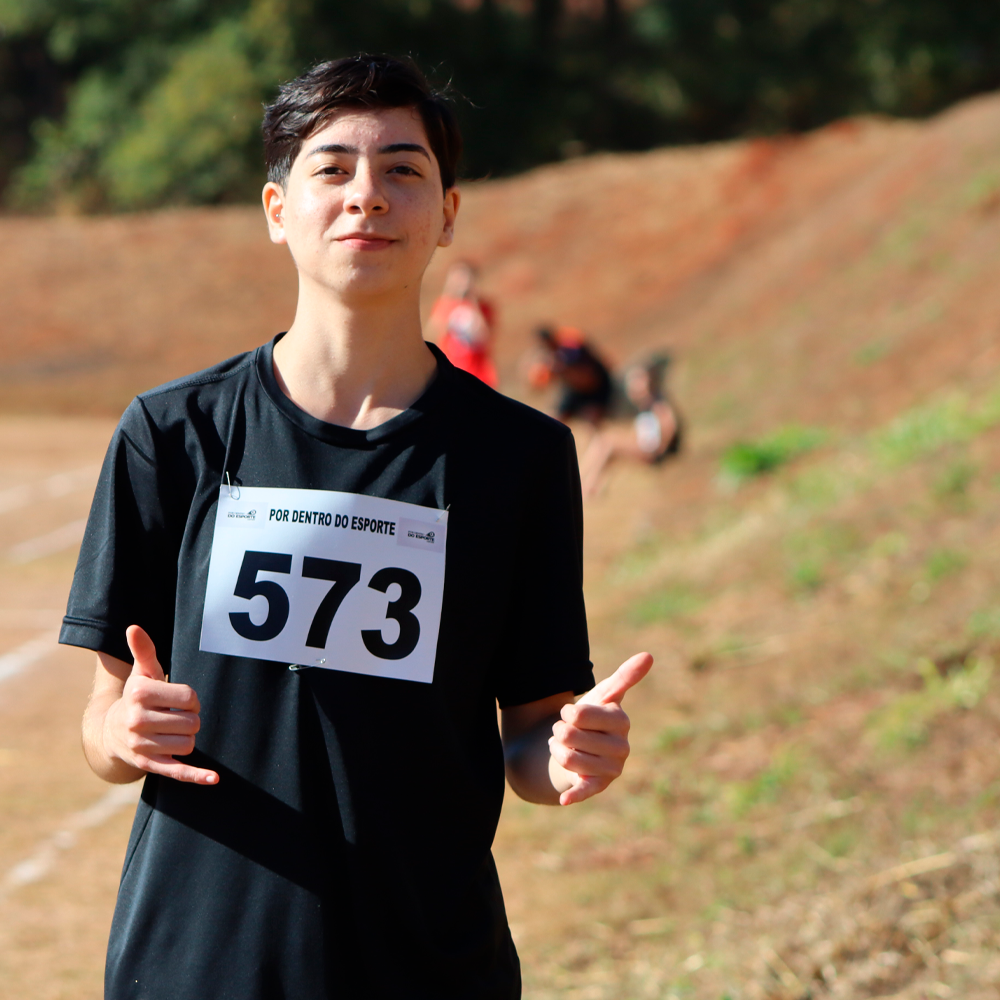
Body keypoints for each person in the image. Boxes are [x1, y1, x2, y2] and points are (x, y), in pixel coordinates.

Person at [60, 55, 651, 1000]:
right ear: (276, 209)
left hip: (427, 960)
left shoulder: (520, 457)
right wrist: (124, 733)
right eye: (331, 168)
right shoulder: (171, 434)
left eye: (403, 169)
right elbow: (104, 721)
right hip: (199, 959)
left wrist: (573, 754)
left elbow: (530, 739)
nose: (366, 196)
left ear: (448, 212)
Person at [579, 355, 683, 496]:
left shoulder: (656, 403)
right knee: (605, 444)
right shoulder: (643, 406)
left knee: (608, 442)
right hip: (647, 446)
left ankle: (585, 484)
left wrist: (662, 448)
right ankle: (589, 483)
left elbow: (670, 425)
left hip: (653, 451)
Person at [428, 259, 498, 387]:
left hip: (479, 374)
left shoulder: (483, 306)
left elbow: (485, 338)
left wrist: (473, 301)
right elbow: (433, 333)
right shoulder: (445, 304)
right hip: (451, 372)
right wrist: (448, 295)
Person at [528, 325, 614, 425]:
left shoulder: (570, 346)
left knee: (592, 416)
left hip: (597, 386)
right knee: (552, 419)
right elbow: (537, 386)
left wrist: (558, 367)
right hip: (576, 390)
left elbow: (585, 375)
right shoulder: (551, 358)